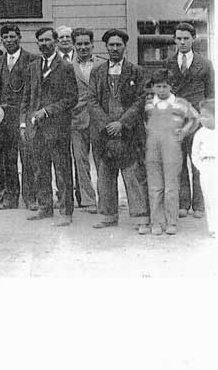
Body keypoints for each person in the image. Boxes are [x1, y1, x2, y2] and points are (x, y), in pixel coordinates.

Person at [88, 28, 150, 233]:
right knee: (105, 174)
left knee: (133, 174)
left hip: (129, 131)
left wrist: (122, 123)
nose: (115, 48)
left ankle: (141, 217)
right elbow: (92, 100)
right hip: (104, 132)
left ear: (125, 47)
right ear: (105, 47)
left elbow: (141, 100)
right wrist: (107, 123)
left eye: (118, 45)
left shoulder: (136, 71)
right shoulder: (97, 72)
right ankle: (108, 215)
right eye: (111, 45)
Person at [21, 27, 78, 226]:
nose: (44, 44)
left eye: (47, 40)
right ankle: (45, 207)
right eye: (40, 41)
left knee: (62, 170)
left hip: (58, 128)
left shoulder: (65, 67)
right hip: (36, 129)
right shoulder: (33, 67)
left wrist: (47, 111)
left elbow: (71, 99)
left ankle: (66, 212)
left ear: (55, 42)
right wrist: (24, 122)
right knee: (39, 169)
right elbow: (27, 98)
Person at [164, 22, 214, 219]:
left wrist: (205, 117)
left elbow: (210, 94)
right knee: (179, 162)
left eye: (186, 38)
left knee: (198, 162)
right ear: (175, 40)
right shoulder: (168, 63)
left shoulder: (205, 63)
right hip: (177, 120)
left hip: (198, 120)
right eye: (179, 38)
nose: (182, 42)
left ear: (194, 39)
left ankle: (199, 205)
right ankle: (183, 203)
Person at [143, 70, 198, 235]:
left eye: (164, 86)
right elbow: (142, 122)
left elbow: (195, 118)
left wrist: (183, 132)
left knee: (171, 186)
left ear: (171, 87)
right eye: (157, 86)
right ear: (152, 87)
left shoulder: (180, 103)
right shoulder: (148, 104)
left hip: (172, 148)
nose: (161, 90)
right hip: (152, 148)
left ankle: (171, 221)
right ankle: (156, 222)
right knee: (155, 186)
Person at [0, 23, 38, 210]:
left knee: (28, 158)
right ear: (1, 40)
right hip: (4, 117)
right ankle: (11, 197)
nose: (9, 40)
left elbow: (35, 89)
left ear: (19, 37)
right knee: (8, 159)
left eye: (12, 36)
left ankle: (30, 197)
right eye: (6, 37)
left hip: (24, 116)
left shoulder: (32, 60)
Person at [69, 28, 102, 213]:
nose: (83, 47)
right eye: (79, 44)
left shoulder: (102, 64)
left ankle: (104, 199)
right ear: (74, 45)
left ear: (92, 44)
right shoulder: (67, 66)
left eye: (86, 43)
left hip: (98, 119)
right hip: (76, 118)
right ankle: (88, 200)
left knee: (101, 160)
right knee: (80, 161)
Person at [191, 100, 217, 237]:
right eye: (201, 116)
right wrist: (201, 168)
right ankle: (213, 227)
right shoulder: (200, 133)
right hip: (207, 166)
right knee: (209, 198)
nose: (202, 119)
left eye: (206, 116)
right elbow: (195, 153)